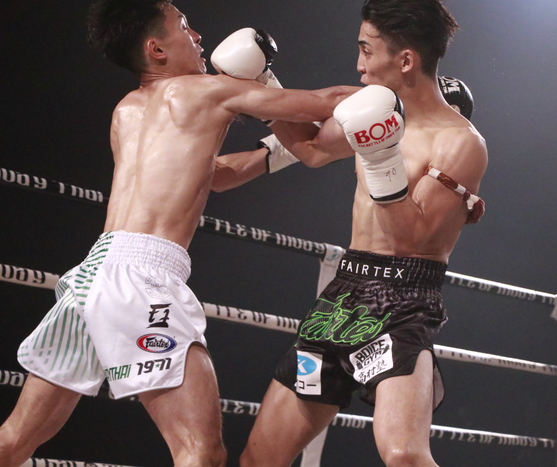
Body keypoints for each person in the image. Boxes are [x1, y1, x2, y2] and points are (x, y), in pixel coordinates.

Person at [0, 1, 356, 465]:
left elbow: (214, 175)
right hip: (143, 278)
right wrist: (418, 95)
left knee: (14, 440)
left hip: (92, 278)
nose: (199, 37)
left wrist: (276, 152)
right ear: (157, 49)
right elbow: (330, 102)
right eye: (185, 27)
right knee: (200, 452)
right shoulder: (206, 90)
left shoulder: (125, 110)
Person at [238, 1, 488, 465]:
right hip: (343, 294)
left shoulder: (460, 142)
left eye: (367, 51)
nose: (359, 64)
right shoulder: (371, 110)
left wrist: (380, 156)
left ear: (406, 60)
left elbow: (408, 241)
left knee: (404, 455)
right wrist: (263, 83)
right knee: (260, 459)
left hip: (403, 301)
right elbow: (312, 149)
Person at [210, 75, 475, 192]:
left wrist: (258, 85)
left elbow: (312, 150)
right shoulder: (381, 120)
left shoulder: (453, 165)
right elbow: (218, 177)